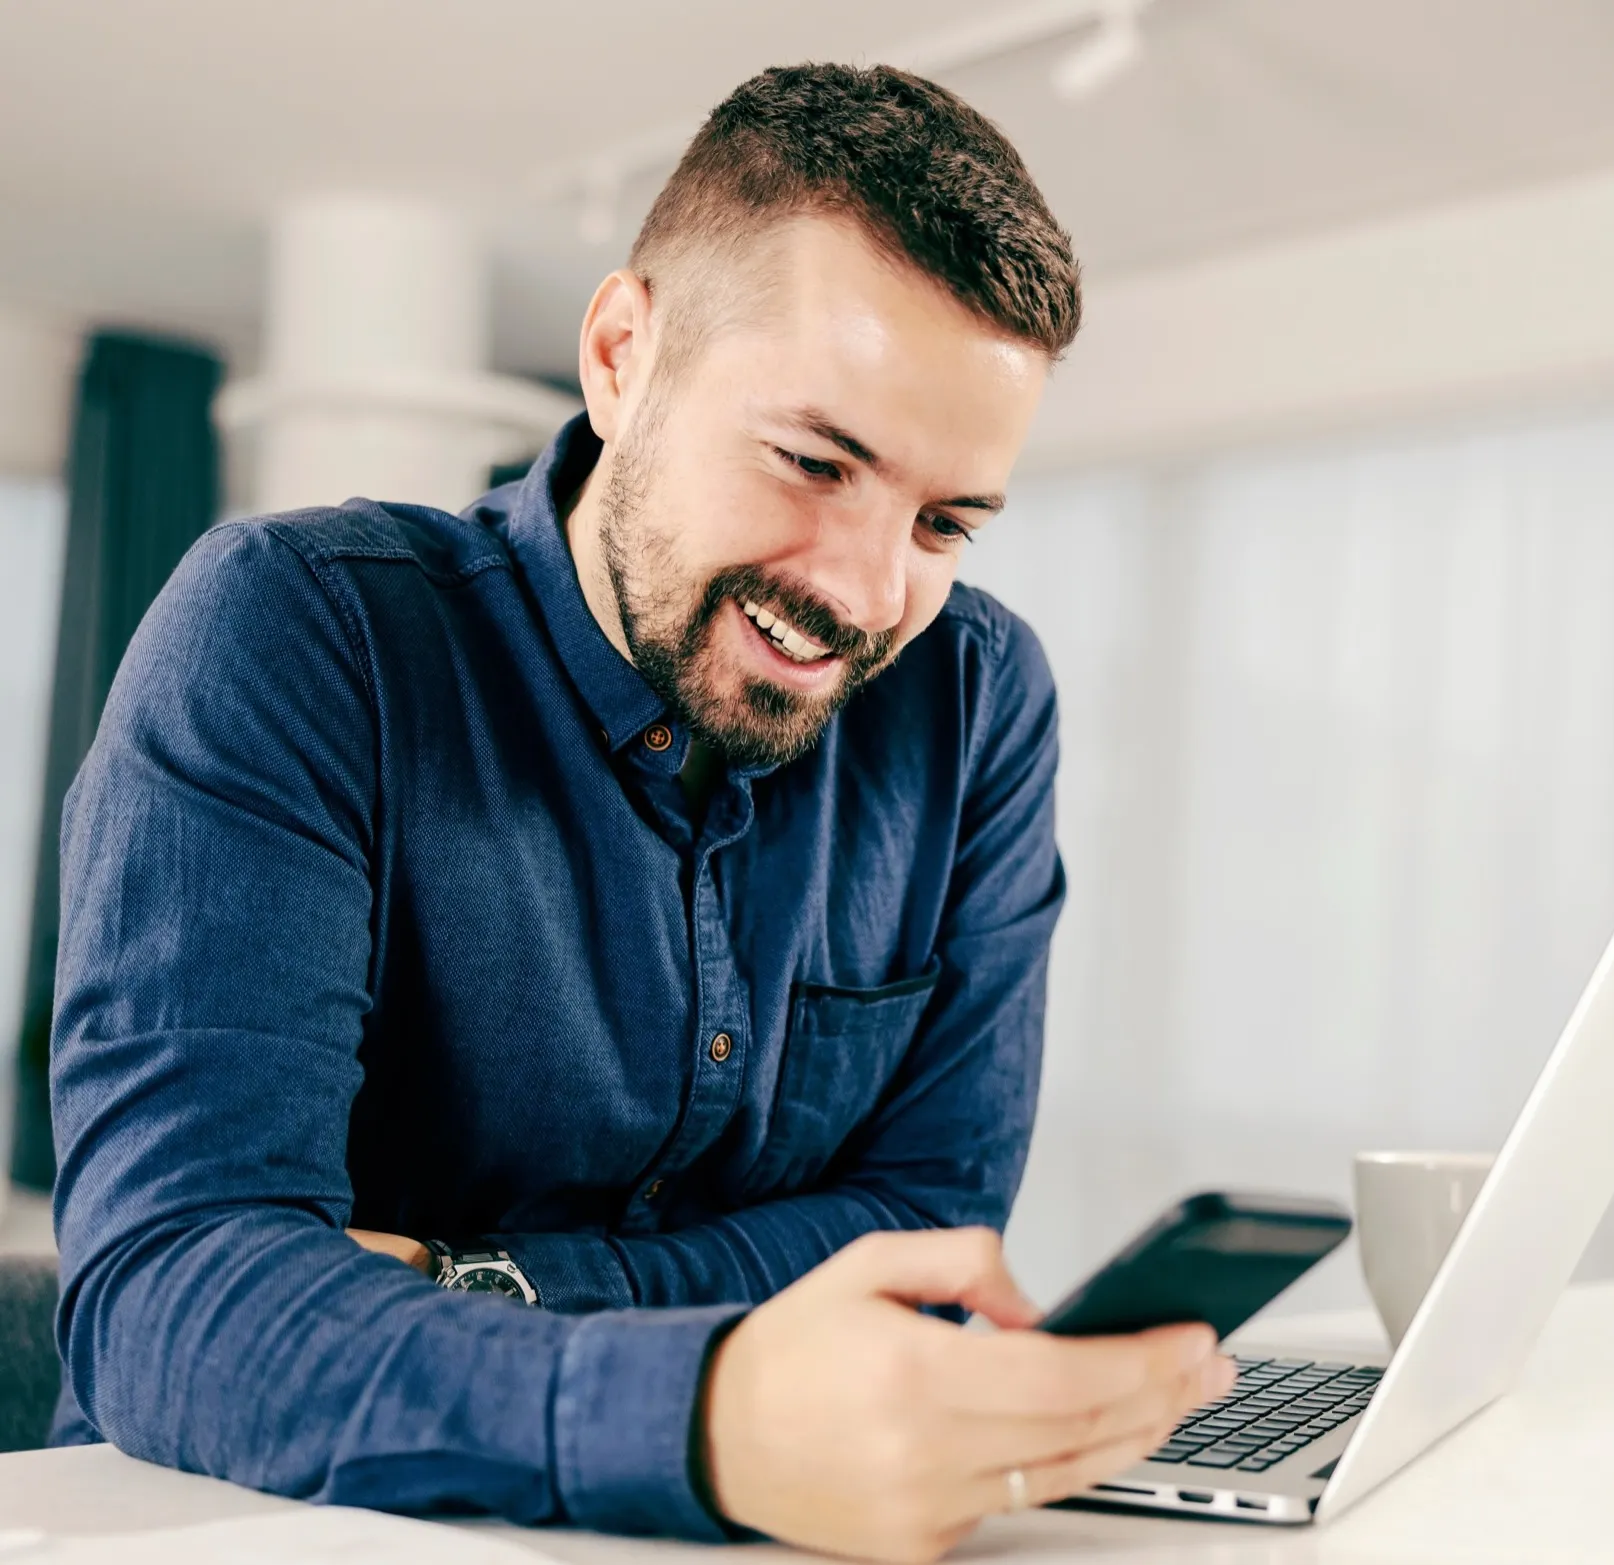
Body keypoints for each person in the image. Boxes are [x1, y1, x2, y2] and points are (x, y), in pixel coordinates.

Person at [45, 64, 1231, 1562]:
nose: (867, 597)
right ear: (621, 357)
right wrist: (704, 1410)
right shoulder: (297, 631)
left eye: (942, 525)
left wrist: (472, 1284)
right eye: (814, 461)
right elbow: (174, 1295)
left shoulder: (980, 701)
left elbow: (925, 1224)